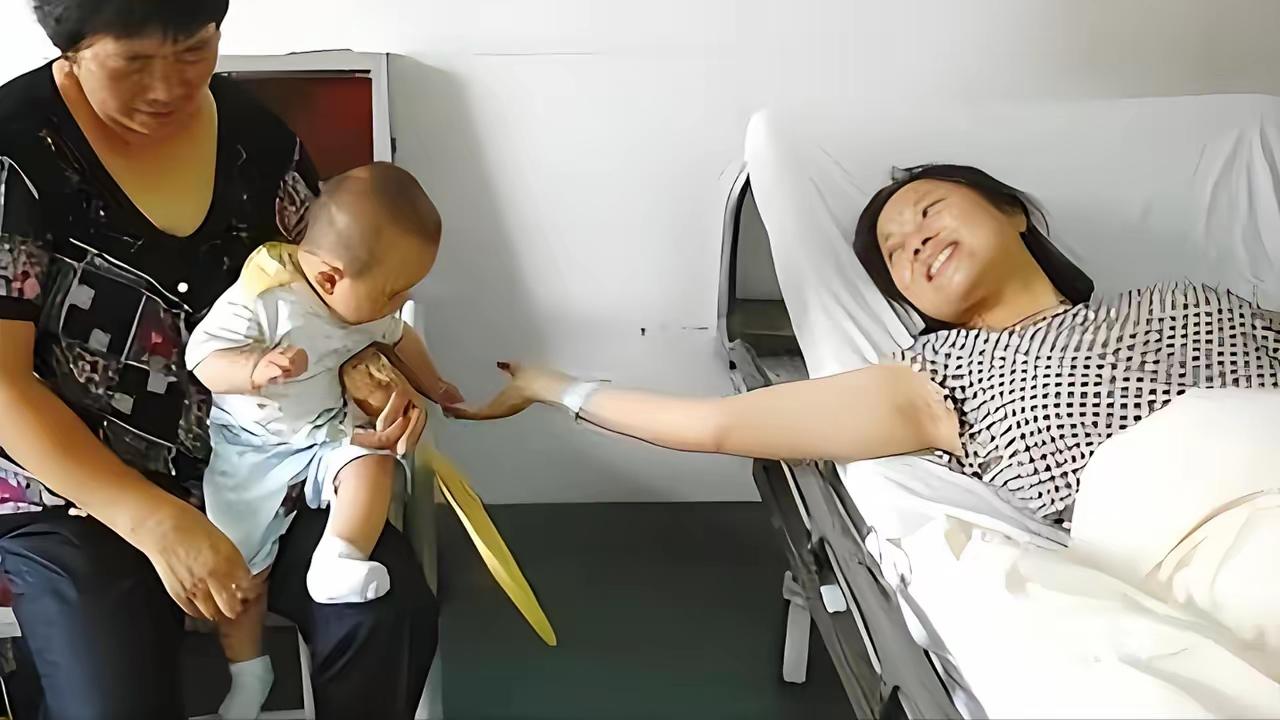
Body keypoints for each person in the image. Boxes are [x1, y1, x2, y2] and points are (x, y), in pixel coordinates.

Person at [452, 164, 1280, 646]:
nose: (915, 239)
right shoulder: (942, 377)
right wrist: (553, 388)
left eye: (929, 211)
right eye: (896, 253)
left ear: (1013, 212)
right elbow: (719, 425)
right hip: (1212, 538)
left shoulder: (1194, 298)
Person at [0, 2, 437, 717]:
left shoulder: (254, 138)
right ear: (69, 47)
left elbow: (330, 293)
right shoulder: (13, 153)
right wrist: (158, 524)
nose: (169, 86)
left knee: (383, 614)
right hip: (81, 498)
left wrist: (368, 370)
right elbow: (3, 385)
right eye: (134, 61)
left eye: (193, 50)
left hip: (266, 457)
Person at [188, 162, 461, 718]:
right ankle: (249, 671)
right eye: (393, 292)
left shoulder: (364, 307)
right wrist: (253, 368)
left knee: (372, 460)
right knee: (241, 570)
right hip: (253, 451)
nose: (398, 303)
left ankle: (338, 558)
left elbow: (402, 337)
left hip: (321, 437)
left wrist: (434, 385)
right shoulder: (265, 298)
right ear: (333, 279)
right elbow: (202, 357)